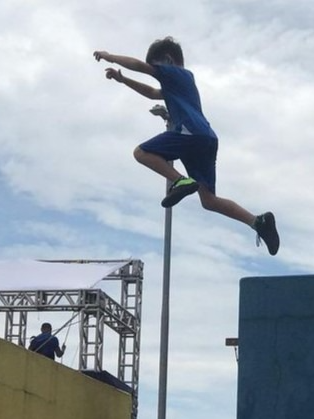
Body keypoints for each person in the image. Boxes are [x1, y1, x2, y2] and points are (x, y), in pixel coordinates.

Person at [93, 37, 280, 256]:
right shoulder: (181, 83)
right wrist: (124, 80)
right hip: (206, 139)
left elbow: (140, 66)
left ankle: (181, 181)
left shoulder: (175, 73)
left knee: (141, 153)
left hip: (190, 133)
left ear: (168, 60)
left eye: (157, 67)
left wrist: (110, 56)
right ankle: (258, 222)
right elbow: (152, 93)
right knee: (209, 201)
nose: (156, 71)